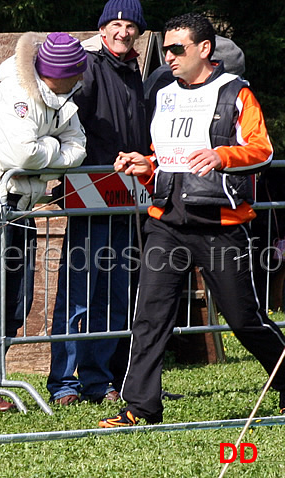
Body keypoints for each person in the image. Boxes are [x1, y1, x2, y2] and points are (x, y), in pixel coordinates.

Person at [100, 12, 285, 427]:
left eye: (176, 48)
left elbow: (263, 150)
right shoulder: (163, 91)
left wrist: (223, 156)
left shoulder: (236, 93)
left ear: (204, 49)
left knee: (244, 319)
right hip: (166, 220)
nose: (168, 56)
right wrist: (143, 164)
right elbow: (164, 157)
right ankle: (140, 407)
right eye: (165, 48)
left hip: (220, 224)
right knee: (150, 315)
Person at [0, 32, 87, 411]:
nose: (82, 76)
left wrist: (45, 151)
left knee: (16, 301)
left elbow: (79, 148)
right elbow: (24, 153)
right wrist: (54, 149)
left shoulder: (62, 100)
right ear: (59, 71)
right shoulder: (17, 95)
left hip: (21, 206)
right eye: (77, 70)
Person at [46, 0, 148, 406]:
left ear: (139, 31)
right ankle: (63, 383)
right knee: (77, 292)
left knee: (115, 294)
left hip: (126, 200)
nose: (123, 32)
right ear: (102, 30)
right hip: (90, 196)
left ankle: (99, 380)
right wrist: (75, 177)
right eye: (116, 24)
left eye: (130, 25)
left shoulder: (136, 73)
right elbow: (67, 127)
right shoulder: (87, 67)